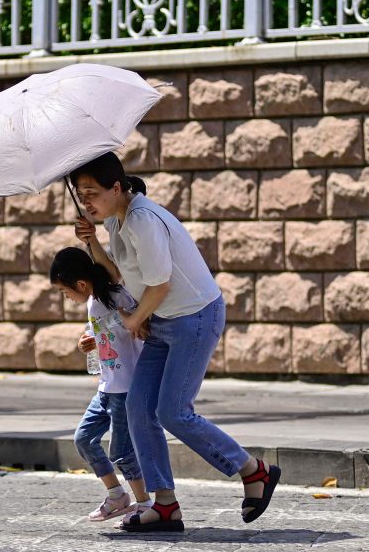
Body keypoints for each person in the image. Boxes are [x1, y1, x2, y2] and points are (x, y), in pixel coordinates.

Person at [71, 153, 280, 532]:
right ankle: (164, 505)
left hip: (194, 317)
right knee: (137, 406)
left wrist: (135, 318)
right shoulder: (119, 220)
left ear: (116, 188)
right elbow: (121, 273)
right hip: (165, 320)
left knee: (173, 412)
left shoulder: (142, 220)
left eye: (91, 193)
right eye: (80, 196)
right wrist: (93, 244)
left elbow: (161, 283)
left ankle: (255, 471)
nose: (86, 202)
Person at [50, 246, 150, 521]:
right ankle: (117, 496)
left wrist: (126, 321)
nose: (67, 297)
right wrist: (86, 342)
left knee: (122, 452)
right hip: (106, 386)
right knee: (84, 438)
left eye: (65, 291)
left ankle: (145, 504)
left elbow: (141, 328)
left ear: (80, 283)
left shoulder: (119, 296)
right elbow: (98, 335)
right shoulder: (93, 302)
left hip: (126, 388)